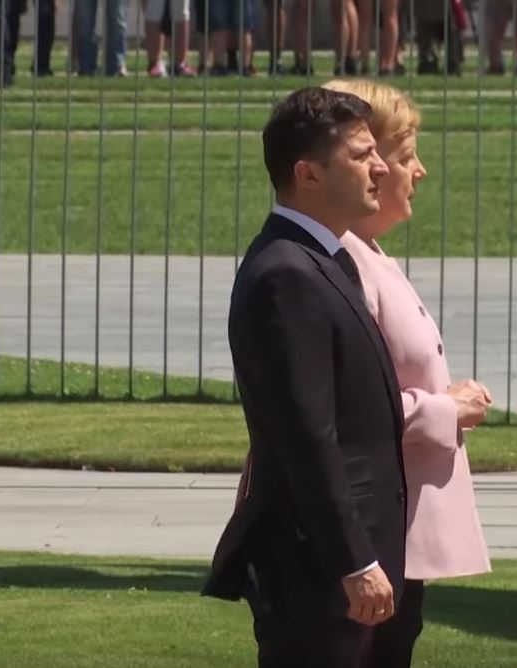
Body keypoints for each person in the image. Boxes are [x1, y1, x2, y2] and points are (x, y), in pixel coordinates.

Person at [202, 87, 408, 667]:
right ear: (307, 174)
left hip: (352, 568)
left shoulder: (323, 259)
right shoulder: (286, 275)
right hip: (323, 575)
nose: (381, 167)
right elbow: (308, 436)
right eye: (360, 154)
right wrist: (355, 563)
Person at [324, 79, 492, 667]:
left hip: (397, 530)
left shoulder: (370, 254)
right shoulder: (345, 262)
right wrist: (448, 408)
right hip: (375, 530)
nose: (416, 171)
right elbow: (347, 406)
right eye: (403, 156)